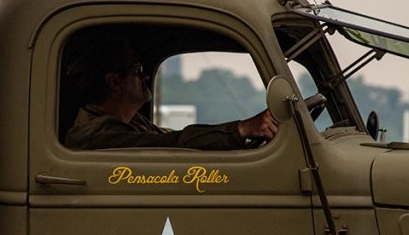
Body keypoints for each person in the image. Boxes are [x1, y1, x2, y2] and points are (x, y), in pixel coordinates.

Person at [63, 34, 278, 150]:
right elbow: (168, 145)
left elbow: (169, 137)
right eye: (137, 70)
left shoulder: (133, 122)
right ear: (114, 82)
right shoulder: (94, 134)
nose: (145, 76)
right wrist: (240, 129)